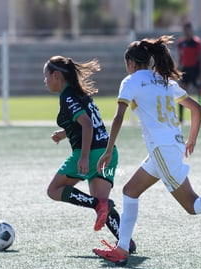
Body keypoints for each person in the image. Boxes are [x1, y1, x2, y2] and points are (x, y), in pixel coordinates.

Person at [92, 36, 201, 266]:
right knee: (130, 191)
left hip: (162, 149)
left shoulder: (131, 81)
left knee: (193, 206)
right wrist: (191, 140)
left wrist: (108, 151)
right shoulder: (164, 80)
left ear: (130, 63)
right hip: (168, 148)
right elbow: (196, 109)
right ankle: (122, 249)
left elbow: (118, 117)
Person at [43, 55, 136, 253]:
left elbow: (86, 124)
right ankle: (125, 241)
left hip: (91, 153)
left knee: (54, 190)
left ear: (57, 75)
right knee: (104, 203)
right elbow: (85, 123)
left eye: (46, 76)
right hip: (107, 152)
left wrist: (84, 156)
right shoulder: (80, 94)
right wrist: (65, 133)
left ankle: (97, 204)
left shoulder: (68, 96)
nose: (45, 81)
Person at [176, 21, 201, 126]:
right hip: (185, 71)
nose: (187, 32)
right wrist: (178, 72)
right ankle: (181, 119)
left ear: (191, 30)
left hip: (195, 70)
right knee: (181, 94)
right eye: (185, 30)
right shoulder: (181, 43)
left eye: (189, 29)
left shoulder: (197, 42)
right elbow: (180, 59)